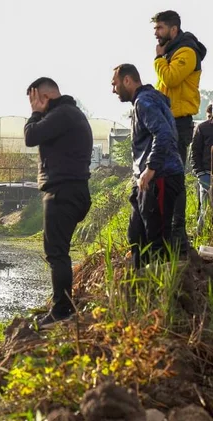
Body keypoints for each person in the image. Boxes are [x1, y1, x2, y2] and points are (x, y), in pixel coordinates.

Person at [23, 77, 92, 327]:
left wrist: (34, 113)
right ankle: (61, 305)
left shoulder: (62, 114)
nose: (32, 104)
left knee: (57, 253)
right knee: (58, 253)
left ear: (44, 97)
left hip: (63, 191)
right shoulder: (69, 114)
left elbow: (31, 136)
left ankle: (62, 312)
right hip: (71, 190)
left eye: (34, 99)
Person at [111, 63, 185, 270]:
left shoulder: (144, 102)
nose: (113, 90)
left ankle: (163, 294)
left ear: (127, 80)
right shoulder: (147, 101)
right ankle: (140, 291)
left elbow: (163, 134)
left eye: (115, 84)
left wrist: (150, 167)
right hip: (148, 181)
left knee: (156, 240)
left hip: (160, 177)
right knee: (136, 235)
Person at [152, 10, 207, 254]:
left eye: (160, 28)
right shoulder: (172, 53)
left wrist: (158, 60)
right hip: (167, 122)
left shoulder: (186, 52)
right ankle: (168, 234)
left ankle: (178, 235)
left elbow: (172, 79)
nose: (156, 33)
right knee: (167, 179)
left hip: (180, 123)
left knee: (175, 179)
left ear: (174, 30)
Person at [190, 104, 213, 234]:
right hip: (206, 174)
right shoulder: (202, 128)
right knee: (205, 209)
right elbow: (194, 152)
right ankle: (201, 236)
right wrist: (199, 173)